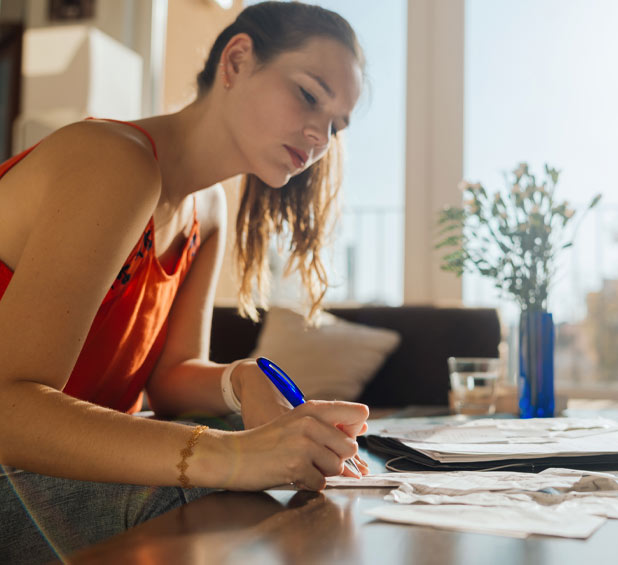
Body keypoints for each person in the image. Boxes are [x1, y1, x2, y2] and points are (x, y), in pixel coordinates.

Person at [0, 2, 369, 561]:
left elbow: (168, 378)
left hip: (47, 461)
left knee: (265, 469)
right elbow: (8, 409)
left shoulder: (209, 210)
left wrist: (241, 380)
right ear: (238, 60)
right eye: (310, 95)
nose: (320, 136)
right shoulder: (113, 162)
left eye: (336, 125)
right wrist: (236, 454)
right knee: (217, 495)